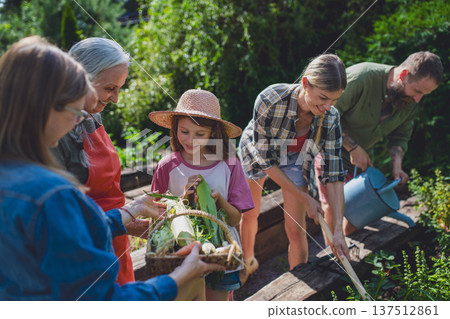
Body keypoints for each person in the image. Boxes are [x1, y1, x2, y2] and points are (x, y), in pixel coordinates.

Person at [0, 36, 224, 301]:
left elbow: (67, 234)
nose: (79, 119)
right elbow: (101, 300)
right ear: (47, 105)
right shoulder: (53, 194)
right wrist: (178, 279)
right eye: (75, 110)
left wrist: (128, 212)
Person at [238, 54, 351, 284]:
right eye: (323, 98)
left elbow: (334, 174)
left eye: (335, 100)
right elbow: (265, 159)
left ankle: (297, 286)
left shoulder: (331, 117)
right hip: (259, 149)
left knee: (297, 228)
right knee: (250, 212)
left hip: (295, 157)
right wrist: (303, 196)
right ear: (306, 84)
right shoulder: (270, 99)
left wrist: (338, 229)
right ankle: (247, 262)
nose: (328, 106)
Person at [315, 51, 443, 235]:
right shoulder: (362, 78)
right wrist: (353, 147)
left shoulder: (409, 101)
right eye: (417, 91)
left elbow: (400, 136)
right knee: (334, 209)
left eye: (424, 94)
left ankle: (345, 245)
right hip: (330, 151)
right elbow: (324, 116)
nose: (418, 99)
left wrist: (397, 166)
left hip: (362, 160)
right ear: (404, 75)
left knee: (358, 210)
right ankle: (336, 255)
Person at [149, 89, 255, 300]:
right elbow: (156, 217)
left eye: (200, 134)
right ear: (175, 129)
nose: (190, 140)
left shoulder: (229, 164)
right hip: (180, 254)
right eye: (184, 131)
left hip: (221, 253)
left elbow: (235, 219)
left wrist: (219, 201)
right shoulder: (167, 167)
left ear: (213, 133)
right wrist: (185, 199)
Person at [51, 38, 141, 285]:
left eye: (119, 88)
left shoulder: (92, 114)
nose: (116, 99)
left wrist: (130, 223)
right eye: (110, 88)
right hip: (85, 256)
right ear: (82, 78)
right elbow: (63, 221)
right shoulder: (54, 133)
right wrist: (127, 215)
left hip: (115, 241)